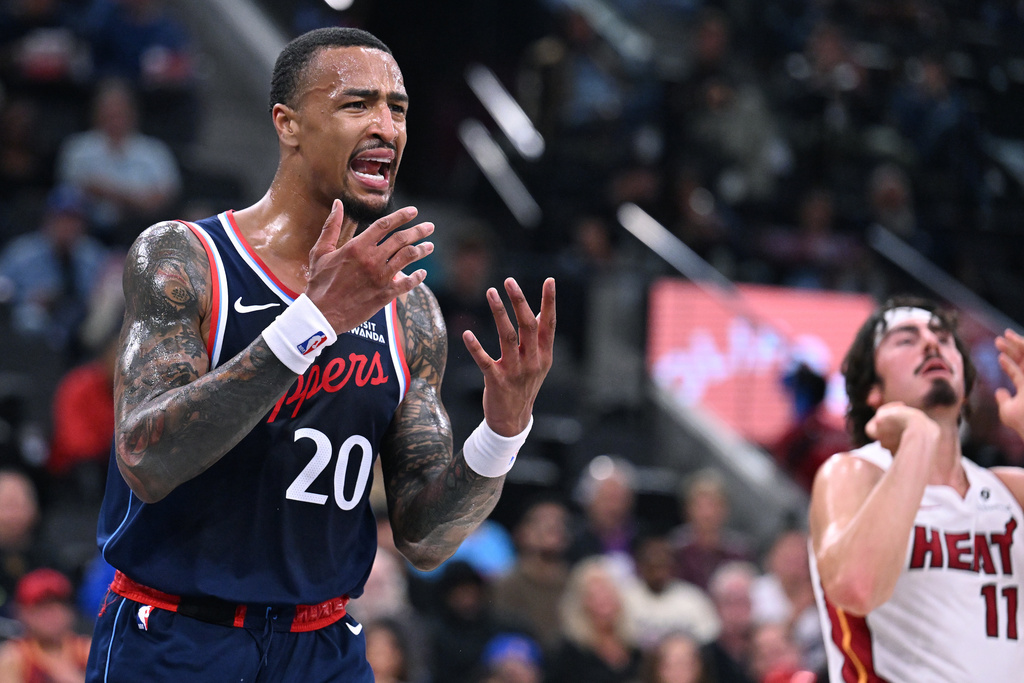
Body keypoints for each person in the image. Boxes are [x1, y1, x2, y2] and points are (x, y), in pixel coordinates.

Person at [85, 26, 556, 683]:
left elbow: (424, 536)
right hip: (179, 636)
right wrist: (312, 321)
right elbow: (147, 456)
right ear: (288, 123)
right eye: (357, 104)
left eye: (398, 108)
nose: (386, 126)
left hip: (322, 644)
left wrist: (503, 431)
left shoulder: (410, 310)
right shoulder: (187, 257)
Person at [808, 296, 1024, 681]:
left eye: (943, 338)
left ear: (965, 379)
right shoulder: (854, 474)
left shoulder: (1010, 490)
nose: (931, 344)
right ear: (872, 390)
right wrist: (917, 439)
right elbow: (858, 587)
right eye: (906, 339)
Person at [0, 567, 91, 682]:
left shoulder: (86, 650)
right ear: (23, 613)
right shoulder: (13, 657)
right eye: (40, 607)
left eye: (56, 605)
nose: (50, 615)